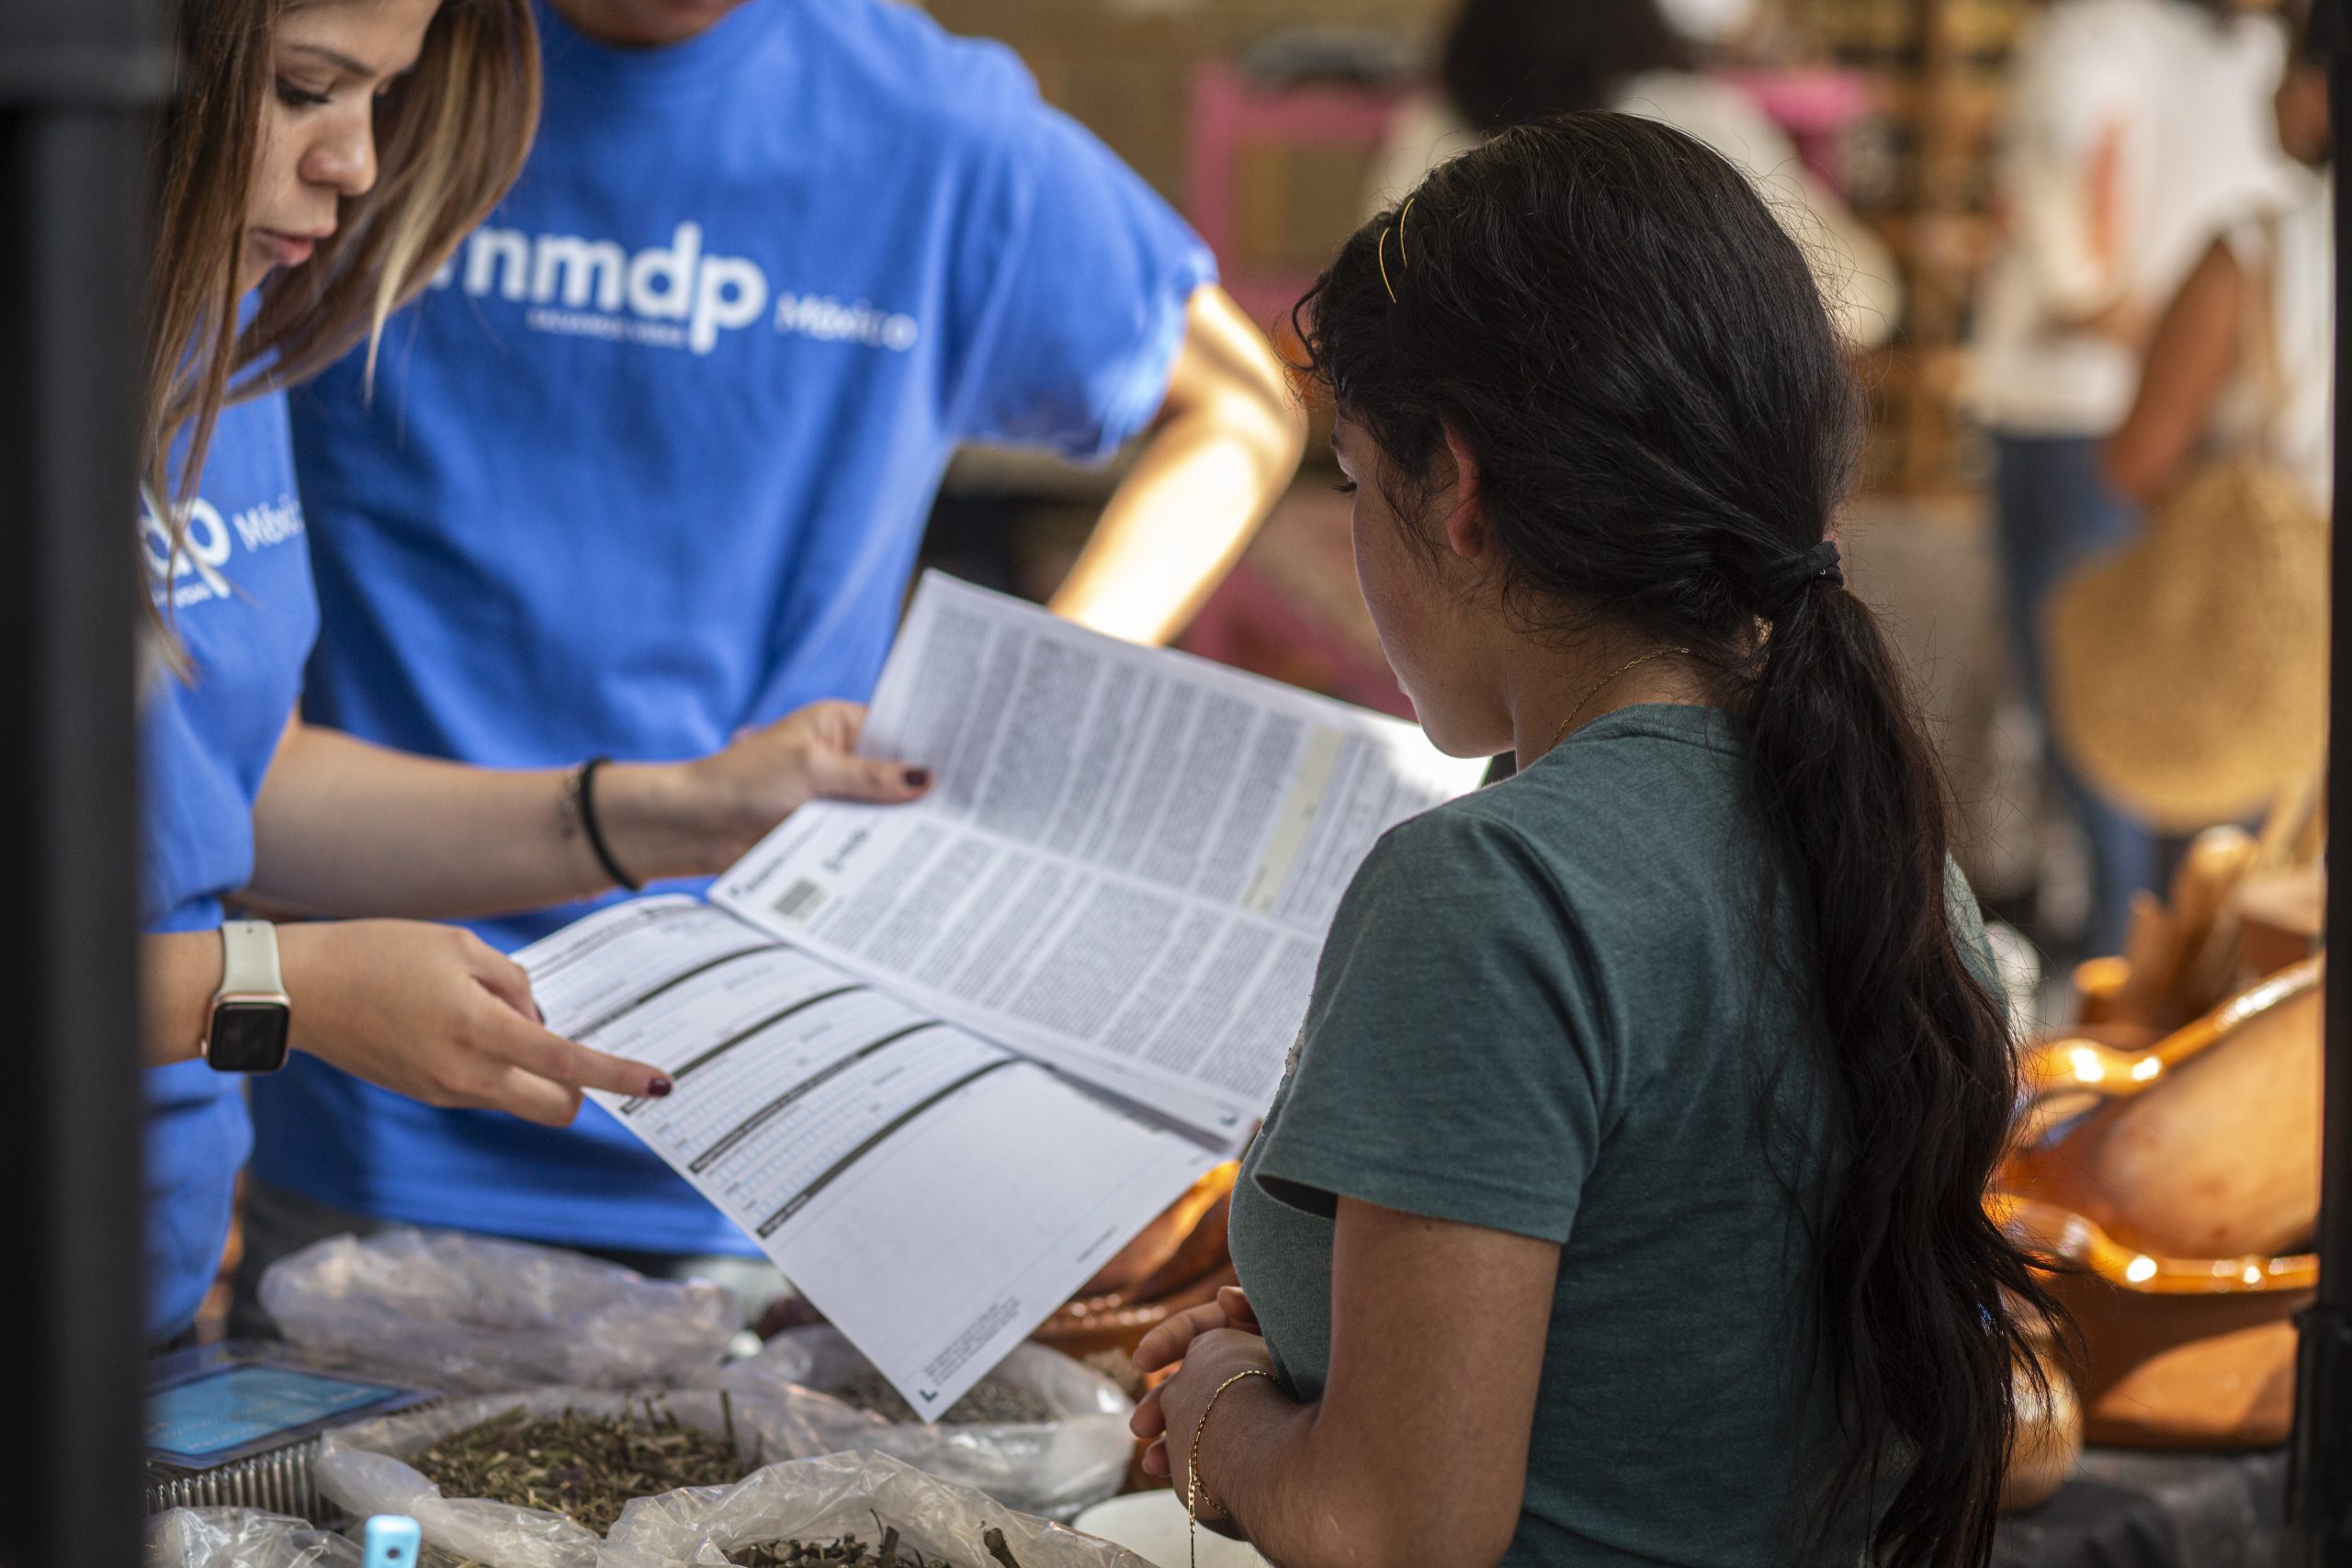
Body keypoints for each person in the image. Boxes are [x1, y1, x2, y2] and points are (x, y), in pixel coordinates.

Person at [232, 0, 1305, 1320]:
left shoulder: (928, 125)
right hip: (375, 1067)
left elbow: (1237, 405)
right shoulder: (386, 68)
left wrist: (1021, 698)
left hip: (767, 1116)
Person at [1129, 116, 2055, 1568]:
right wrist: (1326, 1341)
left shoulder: (1490, 893)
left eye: (1357, 481)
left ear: (1460, 490)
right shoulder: (1889, 859)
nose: (1355, 536)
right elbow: (1667, 1339)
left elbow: (1396, 1529)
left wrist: (1221, 1410)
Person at [141, 0, 924, 1348]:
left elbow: (227, 789)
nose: (354, 163)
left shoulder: (232, 332)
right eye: (306, 89)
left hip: (137, 1295)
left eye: (382, 98)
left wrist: (658, 814)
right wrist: (286, 988)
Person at [1965, 0, 2299, 955]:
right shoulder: (2257, 49)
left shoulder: (2094, 33)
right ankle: (2180, 964)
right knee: (2191, 715)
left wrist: (2090, 292)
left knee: (2095, 709)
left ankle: (2122, 963)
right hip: (2201, 423)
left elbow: (2074, 172)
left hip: (2074, 409)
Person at [1363, 0, 1904, 350]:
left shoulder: (1429, 126)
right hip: (1677, 443)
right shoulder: (1699, 117)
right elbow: (1860, 299)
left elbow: (1379, 291)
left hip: (1481, 436)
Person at [2103, 5, 2331, 514]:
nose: (2274, 94)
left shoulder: (2254, 252)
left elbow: (2137, 461)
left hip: (2276, 557)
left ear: (2321, 89)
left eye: (2289, 67)